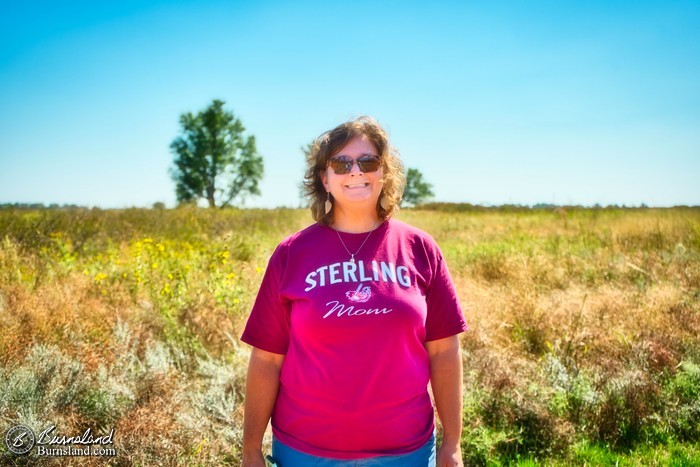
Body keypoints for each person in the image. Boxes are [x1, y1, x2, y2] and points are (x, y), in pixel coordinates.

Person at [241, 116, 467, 467]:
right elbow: (268, 359)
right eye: (341, 163)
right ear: (324, 178)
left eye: (368, 161)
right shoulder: (291, 254)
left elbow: (443, 352)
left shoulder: (420, 248)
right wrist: (250, 449)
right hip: (305, 451)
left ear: (384, 173)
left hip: (404, 451)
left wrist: (452, 444)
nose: (355, 171)